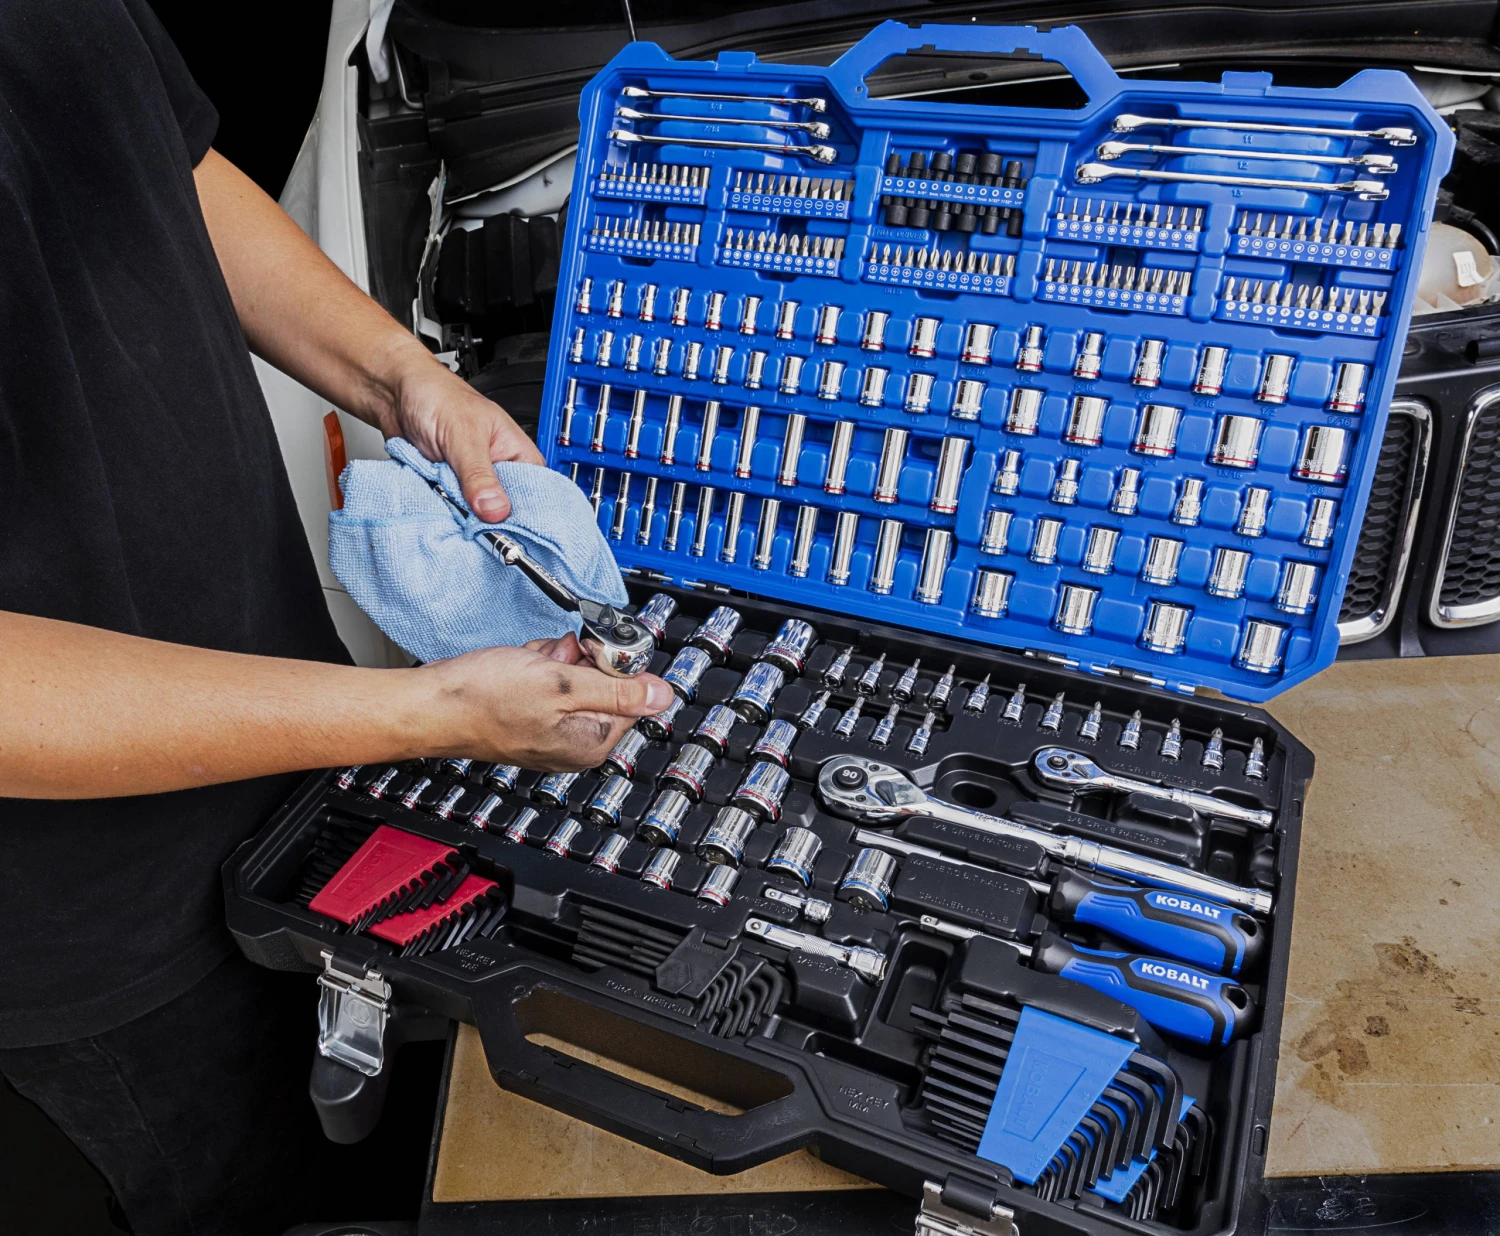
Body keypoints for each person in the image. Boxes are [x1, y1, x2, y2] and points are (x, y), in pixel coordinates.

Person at [0, 2, 672, 1232]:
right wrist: (426, 712)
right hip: (101, 926)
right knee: (269, 1196)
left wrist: (406, 381)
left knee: (401, 1140)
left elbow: (172, 165)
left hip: (302, 749)